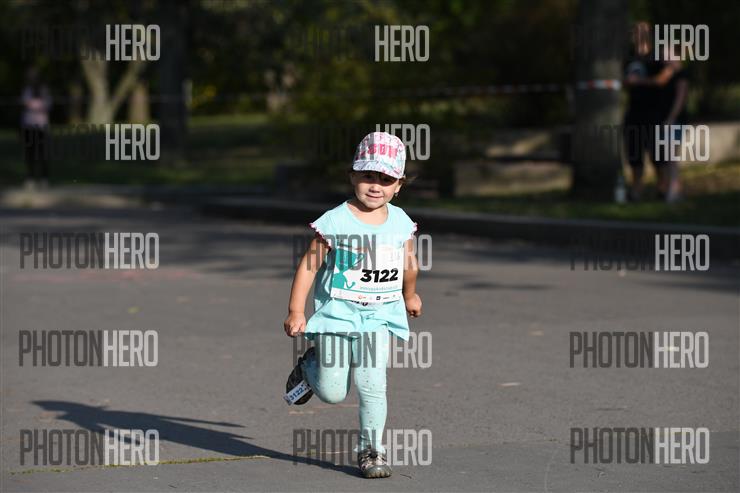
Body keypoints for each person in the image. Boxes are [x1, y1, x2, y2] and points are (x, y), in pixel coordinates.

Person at [283, 131, 422, 478]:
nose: (376, 186)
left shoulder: (401, 222)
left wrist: (410, 294)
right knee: (332, 392)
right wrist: (296, 311)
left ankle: (371, 451)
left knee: (373, 385)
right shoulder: (336, 220)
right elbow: (309, 265)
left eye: (386, 179)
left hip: (379, 317)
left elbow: (409, 262)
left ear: (399, 186)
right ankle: (310, 366)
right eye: (368, 176)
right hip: (337, 316)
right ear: (352, 176)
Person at [623, 22, 689, 203]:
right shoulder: (628, 58)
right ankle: (636, 190)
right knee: (634, 154)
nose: (637, 36)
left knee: (659, 156)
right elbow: (623, 80)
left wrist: (639, 82)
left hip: (654, 114)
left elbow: (664, 79)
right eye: (635, 33)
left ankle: (663, 188)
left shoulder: (658, 58)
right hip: (634, 113)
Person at [20, 68, 52, 189]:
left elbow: (47, 104)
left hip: (41, 126)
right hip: (28, 126)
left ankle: (44, 178)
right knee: (30, 153)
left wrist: (33, 104)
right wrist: (37, 105)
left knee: (43, 153)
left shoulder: (44, 90)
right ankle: (30, 178)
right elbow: (25, 103)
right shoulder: (26, 90)